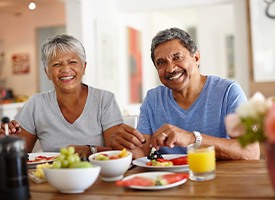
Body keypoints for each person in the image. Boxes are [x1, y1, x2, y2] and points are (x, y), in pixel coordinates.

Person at [110, 27, 260, 160]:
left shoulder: (228, 91)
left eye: (177, 57)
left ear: (196, 58)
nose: (170, 69)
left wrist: (193, 139)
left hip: (217, 179)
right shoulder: (153, 99)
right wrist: (124, 145)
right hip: (168, 183)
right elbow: (141, 154)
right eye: (161, 63)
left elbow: (251, 151)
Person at [0, 34, 127, 157]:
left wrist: (90, 150)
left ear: (84, 67)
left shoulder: (104, 100)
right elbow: (16, 153)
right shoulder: (36, 104)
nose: (66, 69)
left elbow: (118, 153)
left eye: (72, 62)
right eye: (56, 64)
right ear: (47, 72)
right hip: (50, 176)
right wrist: (8, 141)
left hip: (97, 175)